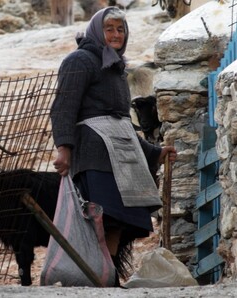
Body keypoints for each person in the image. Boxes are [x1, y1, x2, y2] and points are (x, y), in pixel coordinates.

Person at [50, 6, 177, 286]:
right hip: (94, 155)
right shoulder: (80, 61)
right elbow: (63, 108)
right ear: (97, 31)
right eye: (110, 29)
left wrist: (154, 153)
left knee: (121, 220)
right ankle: (94, 275)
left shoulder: (117, 67)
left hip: (121, 154)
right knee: (101, 219)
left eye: (121, 29)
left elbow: (121, 123)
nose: (116, 34)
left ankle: (106, 279)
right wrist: (64, 148)